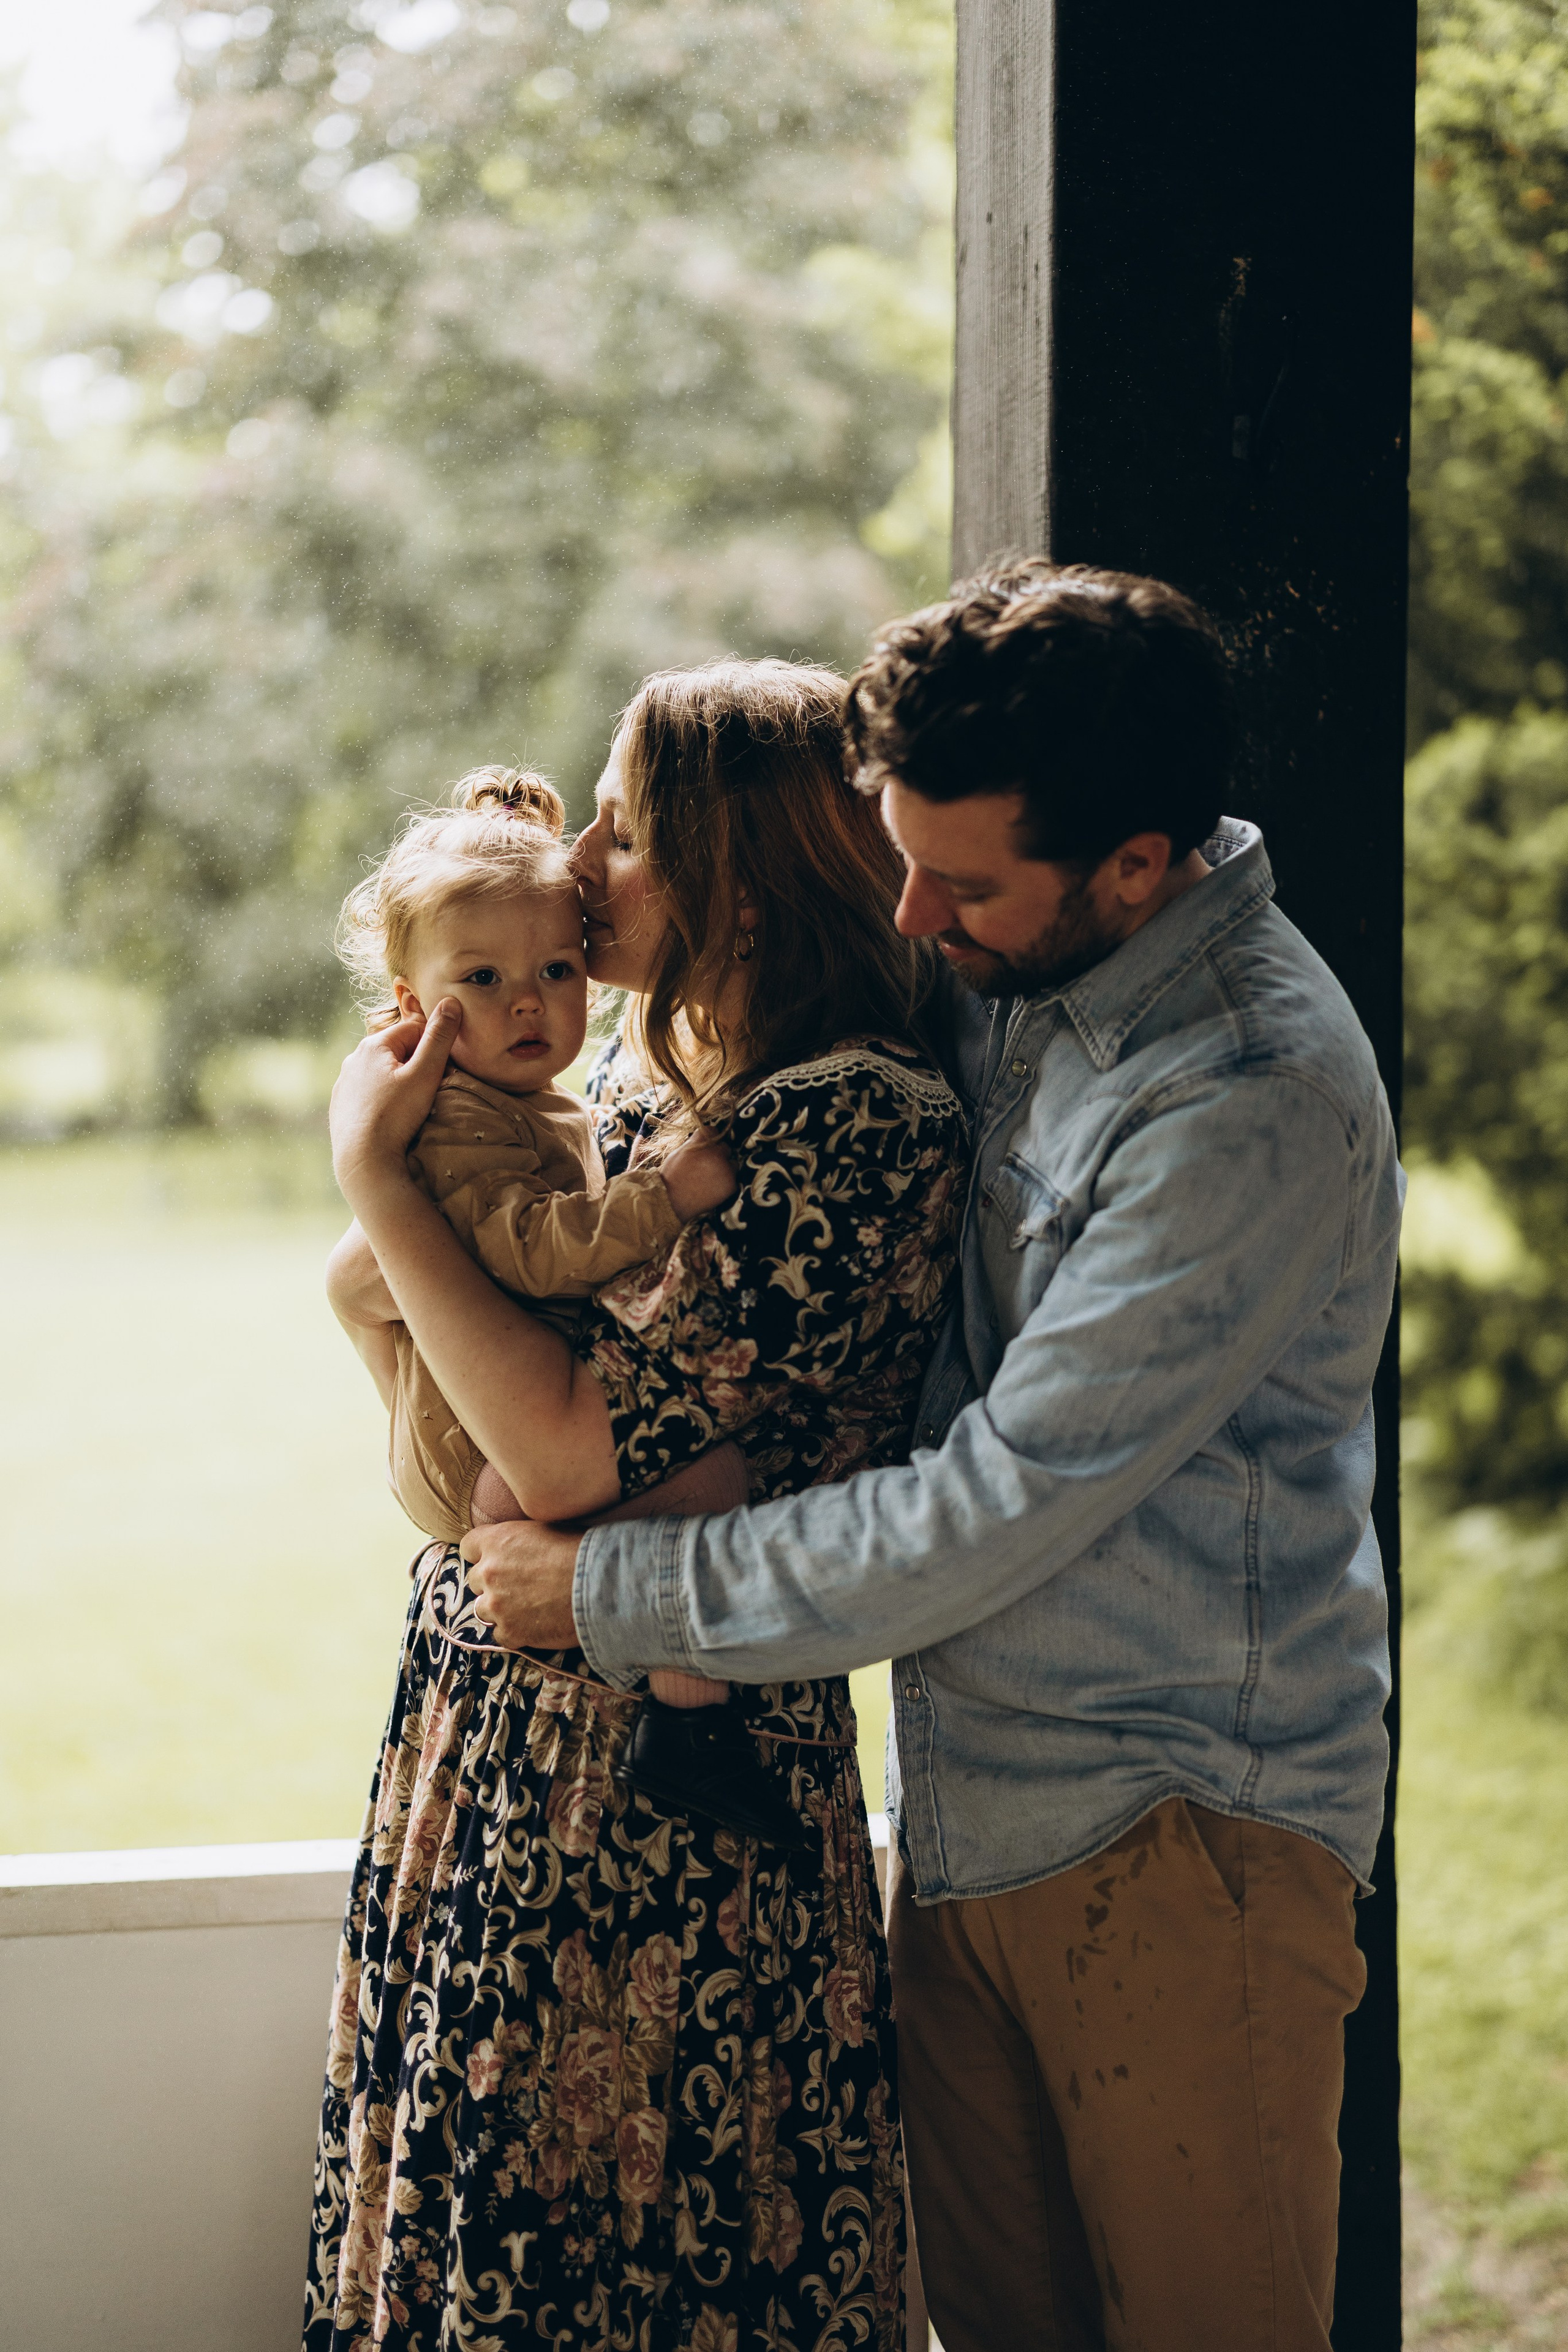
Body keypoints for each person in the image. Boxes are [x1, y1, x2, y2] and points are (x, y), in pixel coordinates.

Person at [462, 566, 1404, 2352]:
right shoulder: (1006, 960)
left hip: (1173, 1833)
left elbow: (997, 1505)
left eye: (957, 885)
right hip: (967, 1815)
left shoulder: (1245, 1092)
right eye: (899, 859)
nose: (911, 917)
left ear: (1136, 865)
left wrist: (611, 1590)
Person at [306, 658, 968, 2352]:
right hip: (504, 1738)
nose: (581, 862)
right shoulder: (641, 1079)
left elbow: (557, 1455)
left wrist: (375, 1177)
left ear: (736, 879)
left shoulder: (846, 1119)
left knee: (642, 2250)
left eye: (624, 828)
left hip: (662, 1803)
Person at [327, 759, 797, 1844]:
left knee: (705, 1479)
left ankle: (688, 1723)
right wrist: (663, 1196)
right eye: (483, 979)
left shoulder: (536, 1100)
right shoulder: (456, 1120)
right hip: (479, 1451)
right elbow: (533, 1249)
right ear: (413, 1005)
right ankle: (693, 1733)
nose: (529, 1001)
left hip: (487, 1422)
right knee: (708, 1480)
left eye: (555, 967)